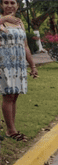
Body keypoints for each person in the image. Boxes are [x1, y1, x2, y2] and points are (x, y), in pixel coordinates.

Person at [0, 0, 38, 142]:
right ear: (1, 5)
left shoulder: (20, 22)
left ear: (17, 5)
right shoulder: (1, 20)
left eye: (12, 2)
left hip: (18, 63)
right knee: (8, 95)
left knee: (15, 95)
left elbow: (25, 46)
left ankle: (12, 127)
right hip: (4, 62)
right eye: (5, 2)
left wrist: (32, 66)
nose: (9, 5)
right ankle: (11, 130)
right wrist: (4, 19)